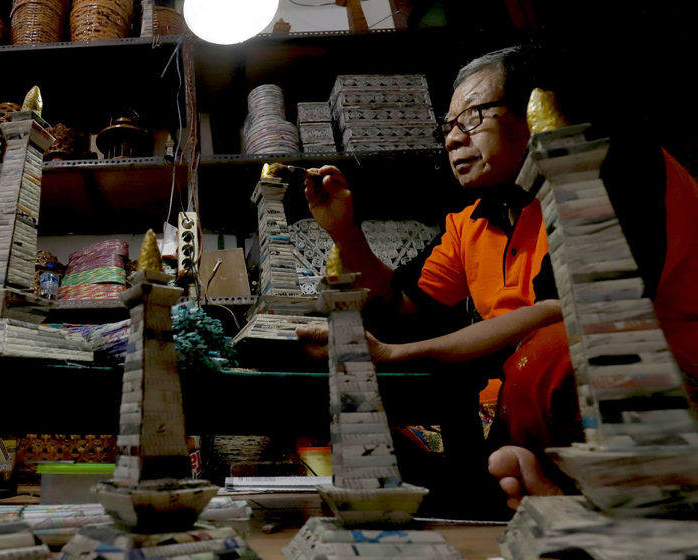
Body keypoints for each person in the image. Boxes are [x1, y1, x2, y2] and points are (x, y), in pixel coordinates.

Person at [297, 45, 698, 510]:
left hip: (664, 366)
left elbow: (565, 311)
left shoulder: (610, 163)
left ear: (538, 107)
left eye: (473, 116)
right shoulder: (471, 222)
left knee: (553, 349)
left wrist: (394, 352)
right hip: (526, 391)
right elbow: (404, 306)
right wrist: (344, 230)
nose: (452, 139)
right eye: (448, 126)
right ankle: (508, 487)